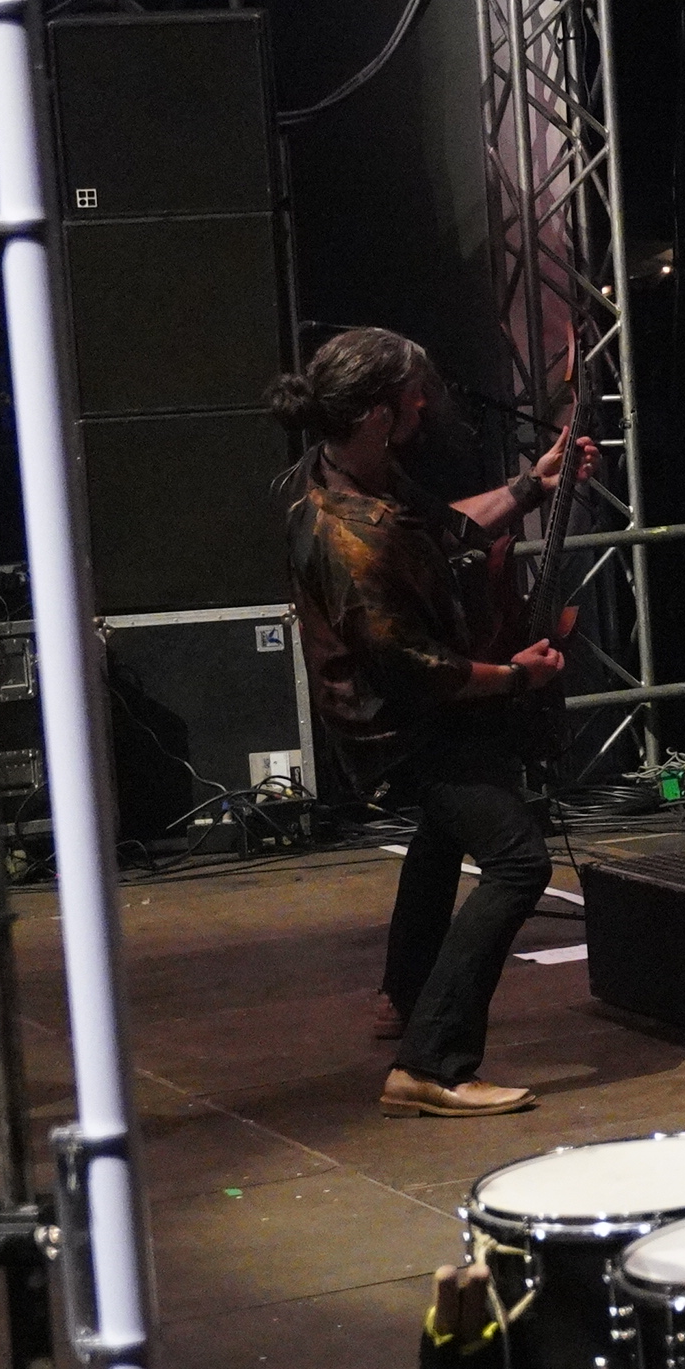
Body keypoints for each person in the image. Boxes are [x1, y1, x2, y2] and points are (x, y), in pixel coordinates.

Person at [278, 327, 594, 1118]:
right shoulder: (345, 533)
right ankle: (433, 1063)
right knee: (519, 862)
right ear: (380, 413)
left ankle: (404, 995)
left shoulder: (363, 472)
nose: (425, 402)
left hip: (418, 706)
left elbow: (448, 529)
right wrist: (518, 675)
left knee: (444, 835)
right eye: (412, 393)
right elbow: (419, 673)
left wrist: (532, 485)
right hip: (401, 726)